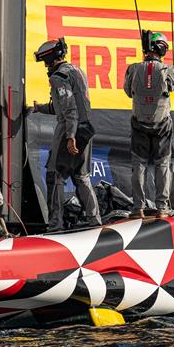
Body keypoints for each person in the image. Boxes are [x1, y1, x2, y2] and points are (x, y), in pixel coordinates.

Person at [33, 37, 101, 231]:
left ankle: (55, 225)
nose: (45, 66)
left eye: (45, 61)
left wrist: (70, 136)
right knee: (82, 176)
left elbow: (69, 110)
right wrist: (40, 108)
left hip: (69, 130)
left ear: (50, 59)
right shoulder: (77, 71)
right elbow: (61, 106)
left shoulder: (58, 77)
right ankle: (95, 222)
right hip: (87, 128)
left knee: (56, 177)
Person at [123, 30, 174, 218]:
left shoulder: (133, 68)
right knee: (162, 165)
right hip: (162, 126)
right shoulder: (167, 70)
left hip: (138, 124)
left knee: (139, 165)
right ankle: (162, 207)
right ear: (161, 49)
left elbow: (128, 92)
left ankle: (138, 208)